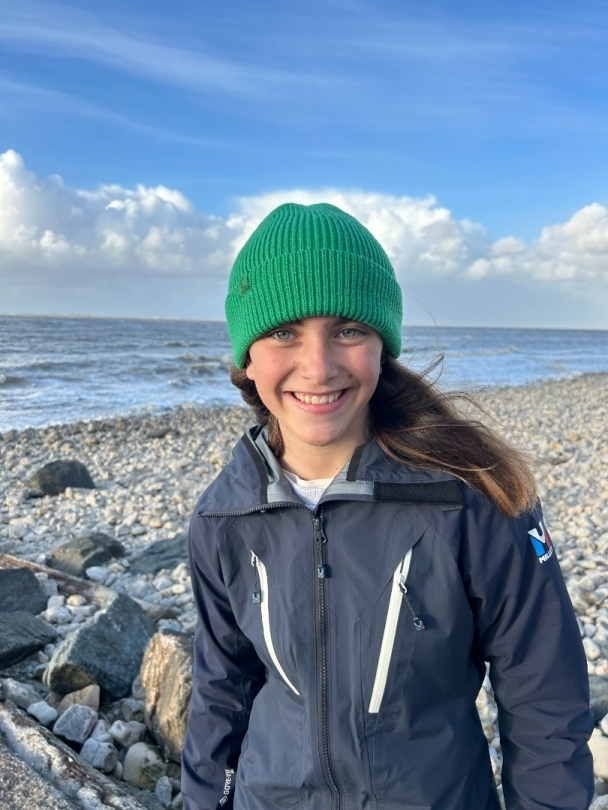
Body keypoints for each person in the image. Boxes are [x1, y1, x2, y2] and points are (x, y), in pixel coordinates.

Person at [181, 202, 594, 810]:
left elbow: (544, 698)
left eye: (348, 330)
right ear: (248, 356)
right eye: (284, 332)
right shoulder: (224, 517)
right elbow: (221, 692)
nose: (318, 367)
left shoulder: (471, 498)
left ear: (382, 345)